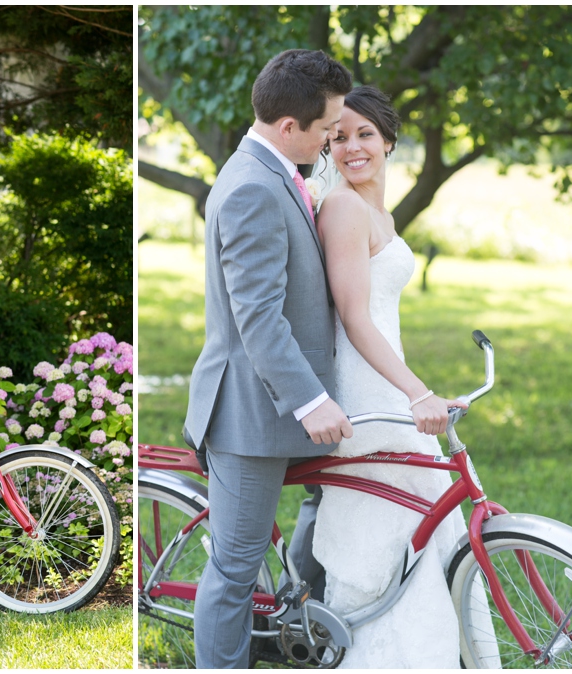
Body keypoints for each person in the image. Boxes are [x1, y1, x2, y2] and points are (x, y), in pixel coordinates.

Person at [183, 49, 354, 669]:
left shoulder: (277, 169)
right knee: (233, 569)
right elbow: (257, 317)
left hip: (286, 407)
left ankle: (297, 619)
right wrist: (311, 400)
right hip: (251, 416)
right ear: (290, 127)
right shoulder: (253, 186)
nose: (334, 139)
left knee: (334, 503)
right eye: (329, 129)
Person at [311, 85, 470, 668]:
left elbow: (381, 318)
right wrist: (416, 392)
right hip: (364, 397)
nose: (351, 147)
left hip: (388, 385)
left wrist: (420, 390)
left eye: (364, 134)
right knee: (378, 541)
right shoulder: (344, 208)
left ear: (389, 140)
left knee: (424, 533)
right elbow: (354, 319)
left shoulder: (379, 210)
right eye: (338, 136)